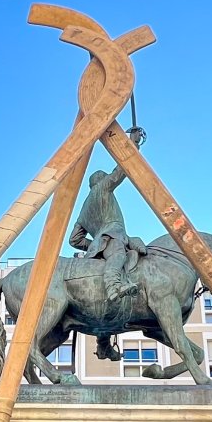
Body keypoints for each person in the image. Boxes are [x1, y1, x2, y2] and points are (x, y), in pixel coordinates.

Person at [68, 127, 148, 305]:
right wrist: (133, 143)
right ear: (100, 180)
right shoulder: (102, 189)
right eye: (105, 178)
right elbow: (119, 172)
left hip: (104, 240)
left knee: (136, 247)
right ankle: (114, 287)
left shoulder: (84, 208)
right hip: (112, 235)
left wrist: (95, 246)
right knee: (118, 256)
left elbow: (74, 240)